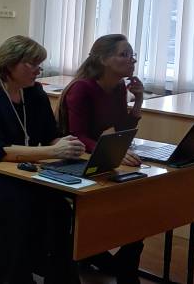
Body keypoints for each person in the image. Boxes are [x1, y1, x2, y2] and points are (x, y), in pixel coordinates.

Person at [0, 36, 84, 283]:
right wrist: (53, 152)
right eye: (32, 64)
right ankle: (8, 275)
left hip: (16, 172)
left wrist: (66, 146)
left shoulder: (34, 93)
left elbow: (50, 136)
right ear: (10, 64)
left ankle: (53, 274)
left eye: (39, 64)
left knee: (59, 208)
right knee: (17, 205)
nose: (38, 70)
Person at [58, 34, 145, 283]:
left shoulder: (118, 88)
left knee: (142, 199)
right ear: (104, 59)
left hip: (94, 156)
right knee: (122, 199)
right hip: (69, 157)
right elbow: (77, 135)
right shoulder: (82, 88)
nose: (131, 60)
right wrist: (110, 153)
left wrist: (138, 100)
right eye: (124, 55)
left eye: (132, 55)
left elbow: (121, 130)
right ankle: (112, 264)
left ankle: (122, 267)